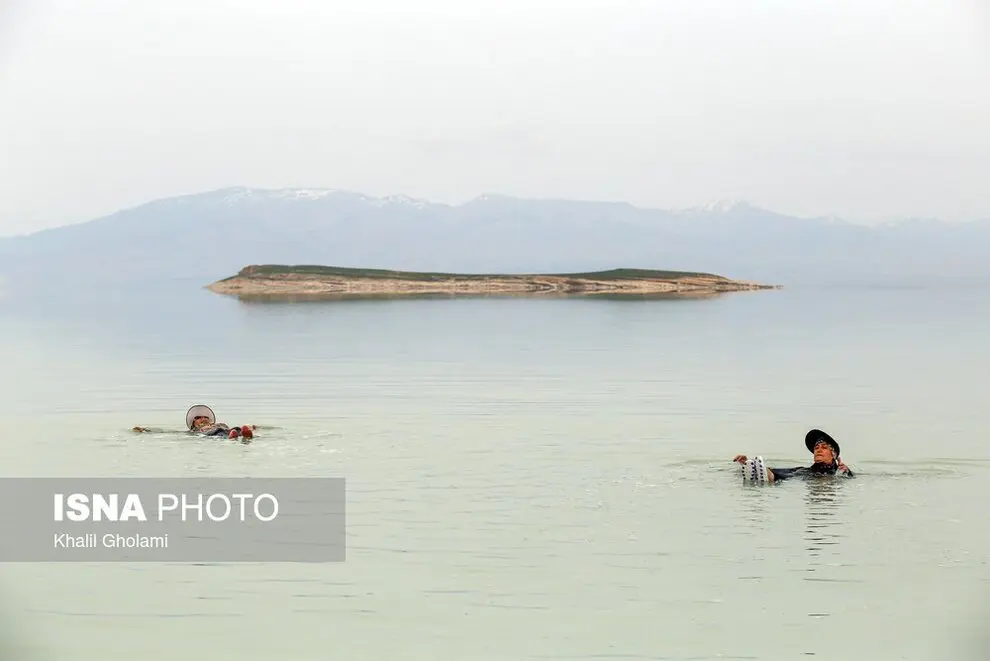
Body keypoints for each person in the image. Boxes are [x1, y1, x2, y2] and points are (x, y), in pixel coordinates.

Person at [733, 429, 853, 482]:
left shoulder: (840, 471)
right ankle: (756, 469)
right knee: (788, 473)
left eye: (824, 448)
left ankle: (765, 475)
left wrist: (847, 472)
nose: (818, 450)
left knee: (789, 477)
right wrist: (746, 462)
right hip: (807, 475)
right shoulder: (804, 470)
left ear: (834, 454)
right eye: (816, 448)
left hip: (824, 477)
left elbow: (850, 480)